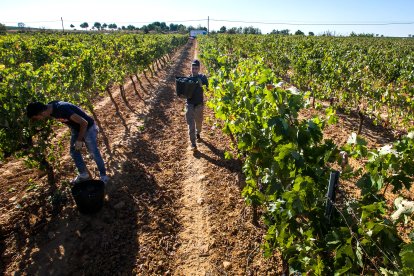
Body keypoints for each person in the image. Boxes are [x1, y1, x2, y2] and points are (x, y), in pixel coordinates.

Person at [26, 101, 109, 184]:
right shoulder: (49, 109)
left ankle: (103, 176)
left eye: (36, 118)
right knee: (74, 152)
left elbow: (84, 123)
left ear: (42, 113)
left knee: (93, 152)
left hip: (88, 127)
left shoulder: (61, 109)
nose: (38, 120)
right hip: (76, 128)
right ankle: (84, 174)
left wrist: (79, 140)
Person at [185, 59, 208, 151]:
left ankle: (198, 133)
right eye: (192, 68)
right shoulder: (188, 79)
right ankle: (193, 144)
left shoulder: (203, 77)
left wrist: (201, 84)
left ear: (199, 69)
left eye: (195, 68)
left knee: (199, 122)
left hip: (199, 105)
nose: (193, 70)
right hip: (189, 104)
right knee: (191, 124)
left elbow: (207, 88)